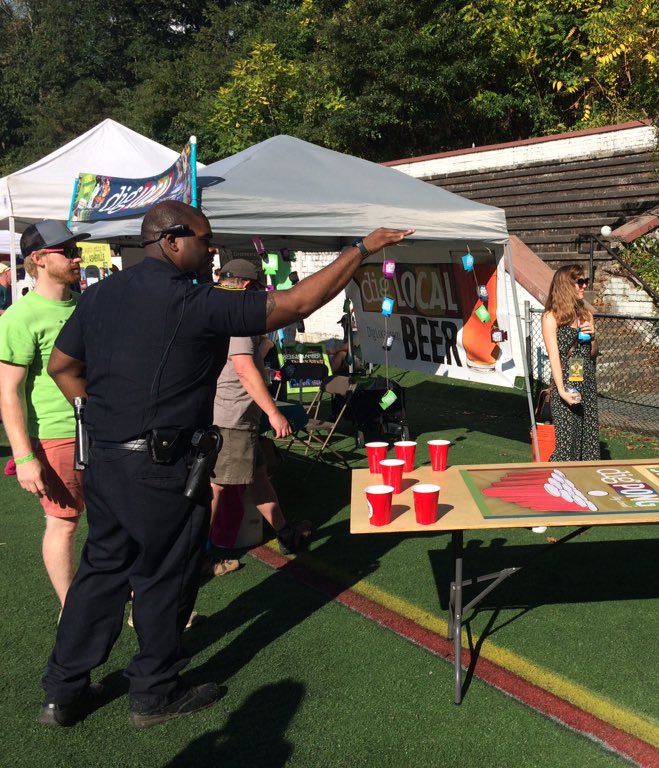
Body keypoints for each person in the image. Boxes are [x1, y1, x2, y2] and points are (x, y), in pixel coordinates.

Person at [40, 199, 413, 727]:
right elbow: (296, 304)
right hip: (161, 467)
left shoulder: (100, 295)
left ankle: (63, 691)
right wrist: (362, 248)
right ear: (171, 240)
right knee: (164, 577)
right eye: (204, 237)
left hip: (105, 460)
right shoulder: (194, 301)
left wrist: (102, 416)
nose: (211, 247)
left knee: (100, 572)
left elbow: (62, 366)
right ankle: (154, 691)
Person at [0, 221, 89, 611]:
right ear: (38, 259)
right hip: (57, 437)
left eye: (76, 249)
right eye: (66, 251)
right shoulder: (20, 317)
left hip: (104, 431)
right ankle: (72, 612)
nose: (77, 257)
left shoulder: (86, 304)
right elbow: (7, 392)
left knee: (118, 520)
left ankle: (138, 601)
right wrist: (23, 457)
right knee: (64, 523)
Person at [209, 259, 311, 556]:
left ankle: (284, 532)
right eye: (257, 289)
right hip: (233, 417)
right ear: (245, 286)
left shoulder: (216, 308)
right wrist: (274, 413)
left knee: (258, 478)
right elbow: (243, 368)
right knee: (216, 488)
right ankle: (193, 558)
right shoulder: (237, 316)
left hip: (231, 413)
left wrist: (261, 347)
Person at [541, 265, 599, 462]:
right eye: (580, 282)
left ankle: (583, 487)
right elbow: (554, 358)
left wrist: (592, 337)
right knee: (566, 446)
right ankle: (552, 482)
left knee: (588, 443)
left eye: (585, 282)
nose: (584, 286)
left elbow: (593, 354)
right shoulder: (551, 317)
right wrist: (562, 391)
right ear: (567, 286)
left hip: (587, 381)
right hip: (565, 382)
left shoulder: (586, 314)